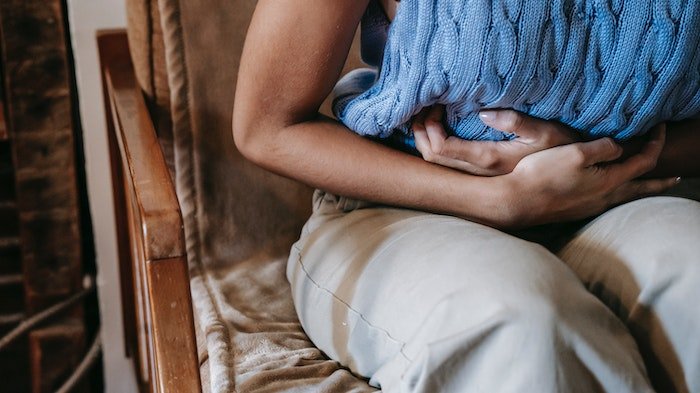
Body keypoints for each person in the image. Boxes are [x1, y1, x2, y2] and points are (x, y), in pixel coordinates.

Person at [232, 1, 700, 392]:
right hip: (404, 209)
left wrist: (593, 159)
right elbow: (267, 126)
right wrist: (502, 199)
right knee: (526, 328)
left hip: (618, 196)